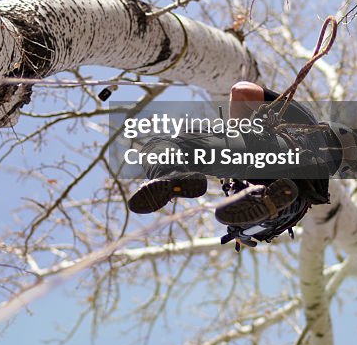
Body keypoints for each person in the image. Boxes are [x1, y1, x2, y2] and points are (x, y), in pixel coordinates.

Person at [126, 82, 345, 247]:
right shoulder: (319, 181)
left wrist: (236, 131)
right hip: (297, 191)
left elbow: (241, 90)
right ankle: (258, 218)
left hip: (265, 148)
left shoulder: (306, 119)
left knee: (161, 143)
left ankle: (172, 175)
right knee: (253, 220)